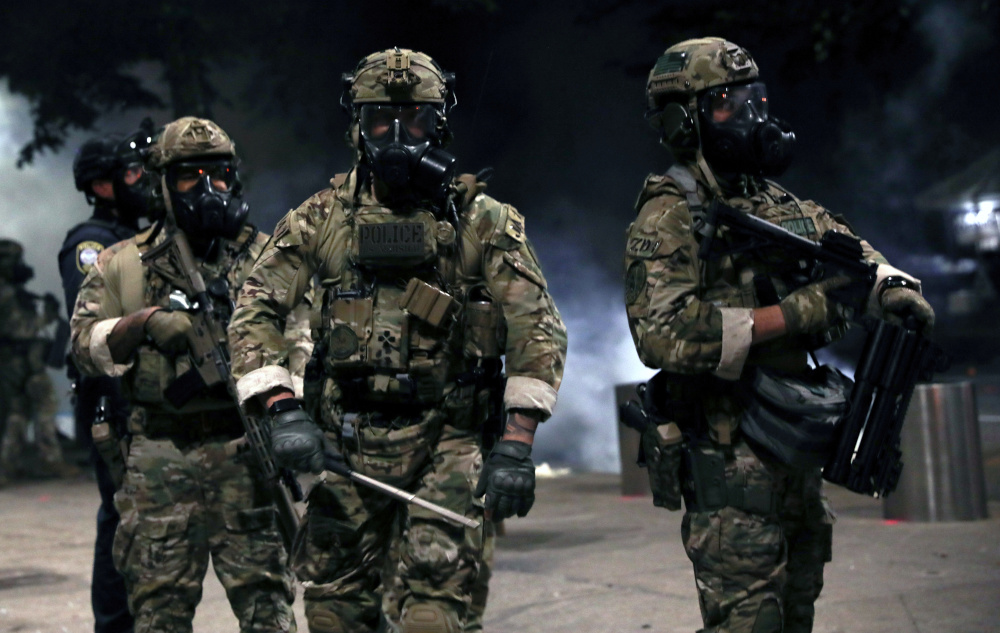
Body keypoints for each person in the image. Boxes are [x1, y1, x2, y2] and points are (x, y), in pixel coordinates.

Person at [226, 47, 568, 633]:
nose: (398, 136)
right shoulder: (320, 218)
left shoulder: (482, 221)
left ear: (439, 123)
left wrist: (515, 442)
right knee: (335, 613)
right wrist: (283, 411)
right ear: (357, 125)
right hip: (344, 445)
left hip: (448, 441)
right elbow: (254, 310)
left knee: (434, 614)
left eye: (416, 120)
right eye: (380, 119)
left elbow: (538, 327)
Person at [624, 37, 935, 633]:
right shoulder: (669, 214)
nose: (750, 117)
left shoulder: (778, 202)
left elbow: (851, 255)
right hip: (728, 454)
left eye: (753, 99)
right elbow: (661, 336)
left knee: (796, 613)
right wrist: (794, 315)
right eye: (725, 105)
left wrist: (893, 288)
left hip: (793, 449)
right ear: (682, 122)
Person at [70, 116, 297, 633]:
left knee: (268, 608)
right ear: (164, 184)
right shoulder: (121, 264)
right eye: (190, 176)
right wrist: (142, 323)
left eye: (218, 174)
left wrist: (287, 409)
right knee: (158, 611)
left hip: (245, 451)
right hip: (160, 460)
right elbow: (82, 346)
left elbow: (302, 340)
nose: (207, 188)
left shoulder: (265, 258)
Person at [60, 122, 154, 633]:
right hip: (109, 403)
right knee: (120, 517)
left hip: (137, 398)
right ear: (101, 185)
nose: (142, 180)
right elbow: (93, 324)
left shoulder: (135, 237)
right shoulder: (91, 244)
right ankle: (114, 625)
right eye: (132, 172)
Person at [0, 238, 72, 485]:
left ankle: (8, 465)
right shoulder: (6, 293)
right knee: (44, 408)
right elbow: (21, 330)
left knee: (17, 414)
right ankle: (50, 460)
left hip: (12, 364)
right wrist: (48, 317)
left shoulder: (11, 292)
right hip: (24, 364)